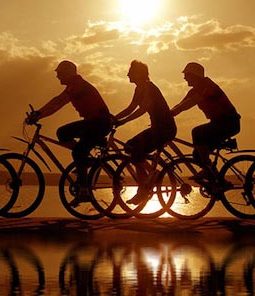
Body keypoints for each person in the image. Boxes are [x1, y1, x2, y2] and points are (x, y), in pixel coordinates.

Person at [27, 60, 112, 203]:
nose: (57, 77)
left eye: (59, 73)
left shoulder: (77, 84)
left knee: (78, 151)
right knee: (63, 133)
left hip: (99, 123)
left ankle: (85, 190)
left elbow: (59, 102)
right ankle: (87, 161)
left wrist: (39, 114)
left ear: (69, 73)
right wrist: (39, 113)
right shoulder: (73, 85)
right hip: (93, 122)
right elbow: (57, 101)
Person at [114, 60, 176, 204]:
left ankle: (143, 188)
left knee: (134, 149)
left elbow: (142, 110)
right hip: (158, 128)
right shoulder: (139, 88)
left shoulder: (148, 87)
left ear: (138, 73)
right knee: (131, 147)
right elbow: (131, 108)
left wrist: (123, 122)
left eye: (130, 71)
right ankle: (152, 176)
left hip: (164, 129)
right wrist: (114, 119)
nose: (127, 74)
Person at [170, 62, 241, 184]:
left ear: (194, 75)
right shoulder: (194, 90)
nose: (184, 78)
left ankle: (208, 171)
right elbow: (180, 105)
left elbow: (190, 103)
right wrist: (166, 115)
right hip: (218, 123)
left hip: (229, 123)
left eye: (187, 75)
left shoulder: (207, 86)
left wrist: (172, 113)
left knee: (197, 132)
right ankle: (218, 180)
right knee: (197, 156)